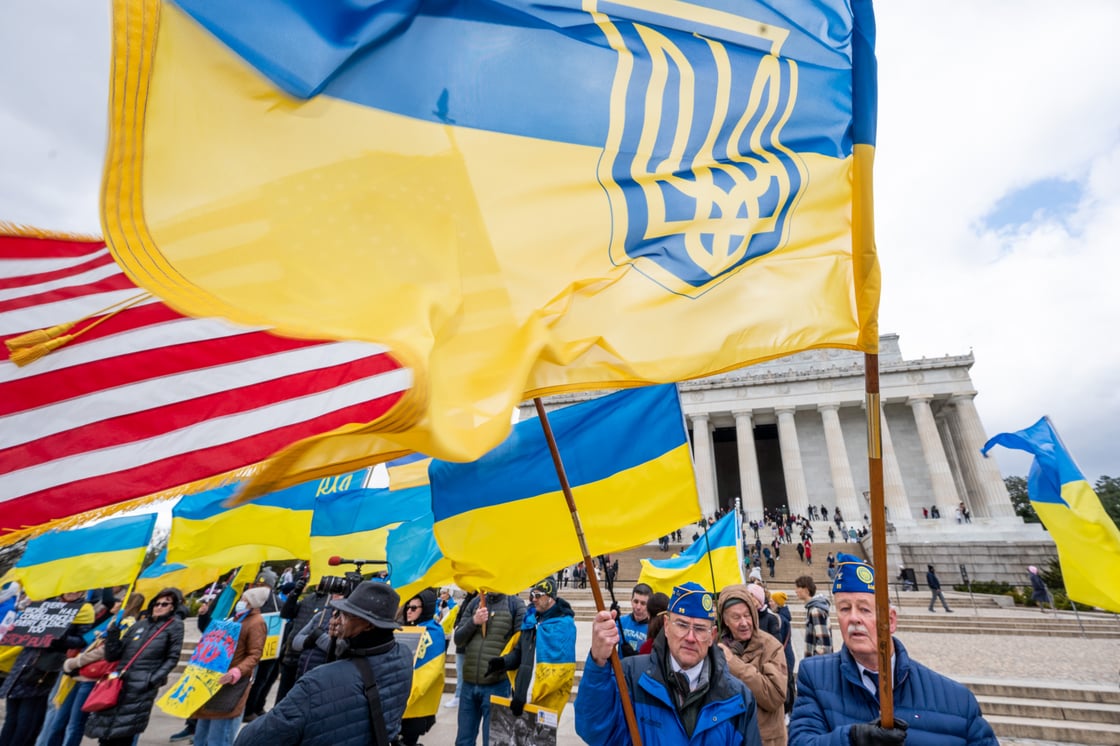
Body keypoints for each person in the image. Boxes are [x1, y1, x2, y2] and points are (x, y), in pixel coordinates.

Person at [789, 553, 998, 745]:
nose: (853, 618)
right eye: (844, 608)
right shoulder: (815, 678)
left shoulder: (958, 701)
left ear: (891, 620)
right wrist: (852, 739)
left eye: (864, 609)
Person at [575, 581, 763, 745]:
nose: (690, 637)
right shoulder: (631, 676)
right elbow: (592, 730)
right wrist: (598, 663)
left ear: (712, 636)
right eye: (681, 625)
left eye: (699, 628)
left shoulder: (738, 697)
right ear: (666, 626)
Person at [235, 581, 414, 746]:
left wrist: (325, 640)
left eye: (346, 614)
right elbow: (297, 640)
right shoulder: (404, 656)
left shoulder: (319, 681)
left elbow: (251, 740)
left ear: (367, 625)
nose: (338, 618)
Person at [85, 589, 186, 746]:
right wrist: (112, 636)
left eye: (165, 604)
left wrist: (152, 680)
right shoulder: (140, 624)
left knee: (123, 735)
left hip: (140, 689)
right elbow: (114, 655)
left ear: (173, 607)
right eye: (157, 603)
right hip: (118, 685)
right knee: (105, 735)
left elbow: (172, 658)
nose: (159, 607)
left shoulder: (174, 626)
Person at [1, 591, 95, 746]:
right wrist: (17, 628)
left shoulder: (84, 610)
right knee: (12, 717)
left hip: (45, 668)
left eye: (78, 589)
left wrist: (59, 639)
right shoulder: (46, 604)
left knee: (28, 719)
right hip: (24, 664)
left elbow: (82, 640)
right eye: (70, 588)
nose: (72, 592)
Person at [53, 593, 146, 746]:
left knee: (75, 724)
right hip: (82, 672)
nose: (115, 603)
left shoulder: (126, 623)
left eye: (120, 601)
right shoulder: (114, 621)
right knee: (64, 719)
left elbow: (104, 651)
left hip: (93, 675)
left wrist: (76, 662)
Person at [487, 577, 576, 717]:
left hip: (544, 701)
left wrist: (527, 697)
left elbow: (559, 672)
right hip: (522, 695)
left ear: (550, 597)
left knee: (539, 738)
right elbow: (519, 654)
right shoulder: (530, 621)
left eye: (538, 595)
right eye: (531, 595)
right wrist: (503, 662)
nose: (533, 599)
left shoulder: (563, 626)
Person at [193, 586, 269, 746]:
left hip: (233, 684)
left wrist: (237, 671)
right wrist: (203, 616)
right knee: (202, 735)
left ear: (252, 602)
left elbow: (255, 654)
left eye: (244, 599)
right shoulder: (235, 619)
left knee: (220, 736)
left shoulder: (256, 622)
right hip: (216, 679)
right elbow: (211, 635)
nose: (240, 602)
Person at [452, 588, 526, 746]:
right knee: (463, 740)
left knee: (492, 740)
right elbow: (458, 639)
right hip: (469, 684)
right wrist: (474, 622)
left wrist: (503, 663)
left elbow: (521, 645)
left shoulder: (515, 604)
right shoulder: (475, 603)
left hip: (497, 685)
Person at [717, 585, 787, 746]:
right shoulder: (717, 646)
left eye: (747, 615)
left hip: (764, 739)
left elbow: (774, 696)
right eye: (736, 617)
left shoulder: (771, 646)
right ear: (725, 621)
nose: (744, 623)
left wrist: (735, 665)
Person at [397, 589, 443, 746]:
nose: (409, 611)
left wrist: (403, 700)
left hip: (415, 706)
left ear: (426, 609)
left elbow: (427, 673)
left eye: (414, 608)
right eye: (408, 607)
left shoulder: (433, 632)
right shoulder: (403, 628)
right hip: (400, 702)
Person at [794, 576, 832, 659]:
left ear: (806, 590)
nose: (795, 591)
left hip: (817, 663)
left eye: (798, 588)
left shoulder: (816, 610)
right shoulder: (813, 608)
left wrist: (815, 662)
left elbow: (824, 644)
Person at [617, 583, 652, 657]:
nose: (638, 607)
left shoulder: (653, 629)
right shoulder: (621, 622)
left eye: (643, 603)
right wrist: (611, 620)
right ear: (631, 601)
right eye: (636, 602)